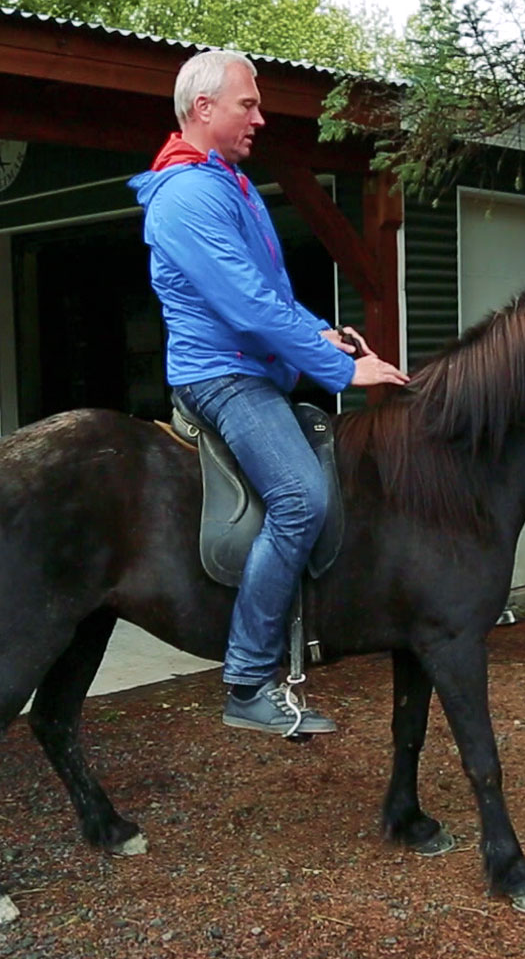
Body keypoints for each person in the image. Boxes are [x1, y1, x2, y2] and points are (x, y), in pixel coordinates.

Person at [129, 50, 408, 735]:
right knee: (300, 498)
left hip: (254, 366)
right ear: (203, 110)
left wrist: (326, 337)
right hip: (223, 375)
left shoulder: (226, 182)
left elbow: (272, 298)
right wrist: (341, 371)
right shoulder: (189, 196)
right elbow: (249, 308)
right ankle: (248, 680)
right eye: (247, 104)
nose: (260, 115)